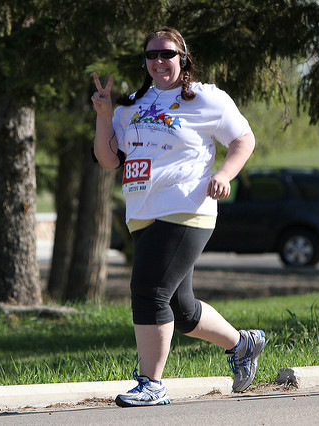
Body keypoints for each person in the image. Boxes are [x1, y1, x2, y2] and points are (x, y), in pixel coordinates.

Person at [91, 27, 265, 407]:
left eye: (167, 54)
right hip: (142, 212)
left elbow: (243, 139)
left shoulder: (206, 98)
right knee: (181, 309)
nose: (158, 62)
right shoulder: (130, 106)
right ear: (145, 62)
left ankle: (151, 383)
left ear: (183, 59)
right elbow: (108, 159)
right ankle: (243, 344)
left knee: (149, 290)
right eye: (151, 55)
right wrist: (104, 114)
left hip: (188, 207)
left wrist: (223, 175)